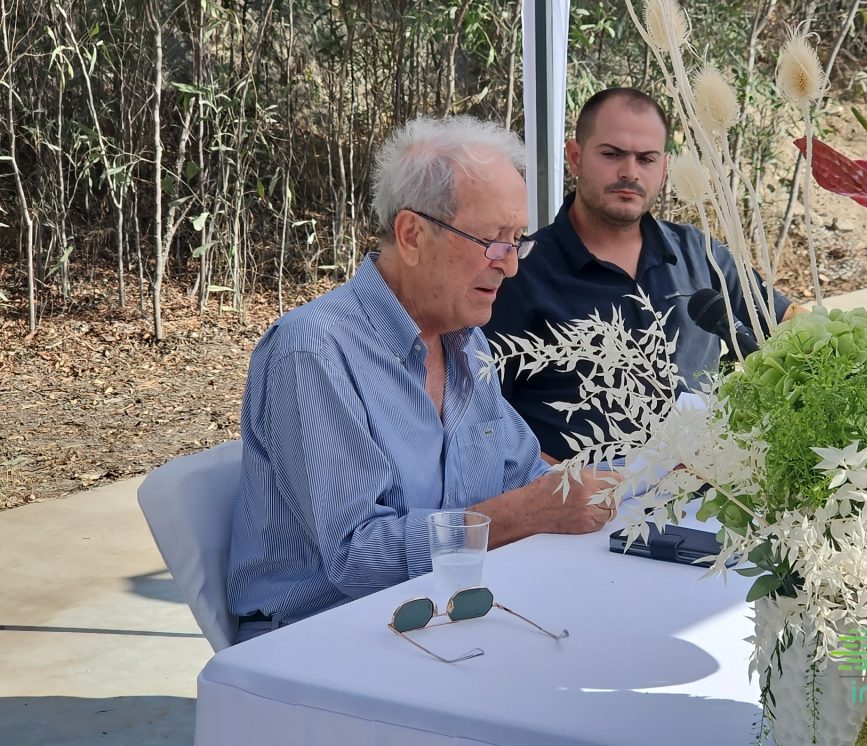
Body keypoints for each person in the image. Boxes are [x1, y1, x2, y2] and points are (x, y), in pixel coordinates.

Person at [227, 115, 615, 643]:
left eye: (517, 241)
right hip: (318, 640)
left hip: (445, 618)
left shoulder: (465, 342)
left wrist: (644, 473)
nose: (511, 266)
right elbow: (356, 557)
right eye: (492, 241)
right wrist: (517, 516)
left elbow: (526, 477)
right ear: (412, 235)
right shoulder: (315, 350)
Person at [484, 87, 798, 462]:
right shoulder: (520, 271)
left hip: (708, 487)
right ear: (575, 157)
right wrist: (558, 482)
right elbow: (485, 417)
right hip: (584, 495)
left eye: (646, 159)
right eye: (612, 154)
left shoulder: (700, 255)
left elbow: (791, 330)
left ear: (664, 169)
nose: (629, 172)